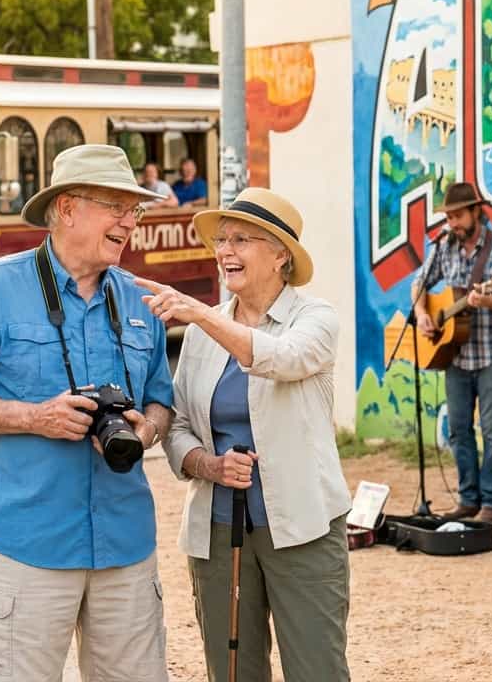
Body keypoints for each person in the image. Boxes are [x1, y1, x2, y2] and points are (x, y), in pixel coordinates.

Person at [0, 144, 175, 682]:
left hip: (126, 545)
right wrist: (35, 418)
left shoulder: (140, 301)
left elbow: (162, 401)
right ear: (67, 209)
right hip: (27, 547)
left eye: (135, 211)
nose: (130, 222)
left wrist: (148, 428)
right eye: (117, 207)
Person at [140, 187, 351, 682]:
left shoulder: (315, 319)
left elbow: (282, 359)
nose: (225, 251)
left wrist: (204, 316)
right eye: (221, 240)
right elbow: (180, 424)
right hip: (218, 529)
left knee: (316, 670)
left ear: (281, 254)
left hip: (303, 529)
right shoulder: (201, 334)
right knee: (232, 672)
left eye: (241, 239)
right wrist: (207, 465)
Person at [413, 181, 492, 523]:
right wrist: (424, 315)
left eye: (458, 215)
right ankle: (468, 498)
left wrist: (482, 298)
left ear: (476, 211)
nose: (453, 223)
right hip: (454, 353)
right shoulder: (445, 246)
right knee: (458, 429)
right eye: (449, 217)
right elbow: (420, 284)